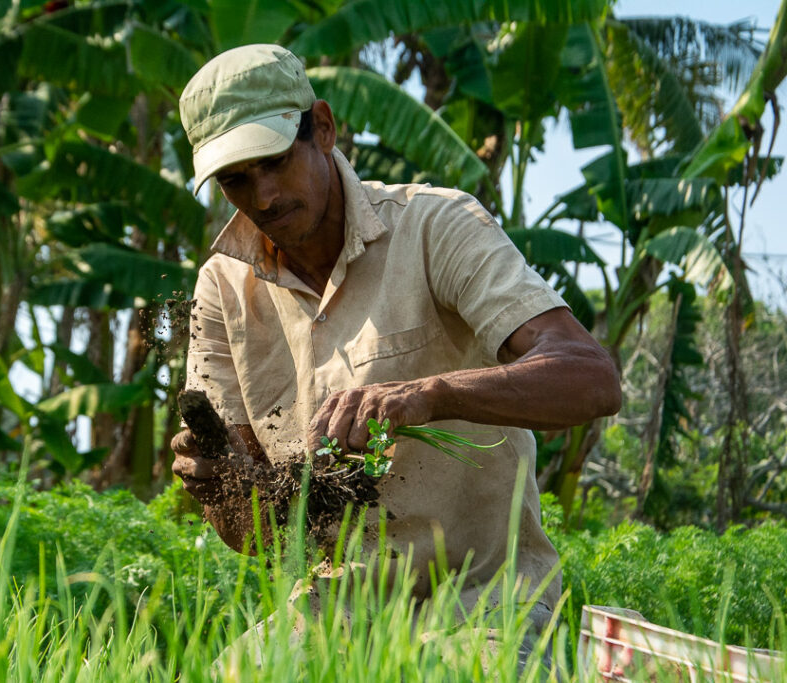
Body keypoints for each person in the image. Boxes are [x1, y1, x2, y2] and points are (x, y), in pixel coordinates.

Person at [170, 43, 621, 631]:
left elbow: (591, 380)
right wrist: (218, 488)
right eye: (234, 180)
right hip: (332, 612)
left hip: (484, 605)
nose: (264, 198)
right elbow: (259, 536)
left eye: (276, 162)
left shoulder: (437, 227)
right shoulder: (223, 288)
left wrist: (428, 396)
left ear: (324, 129)